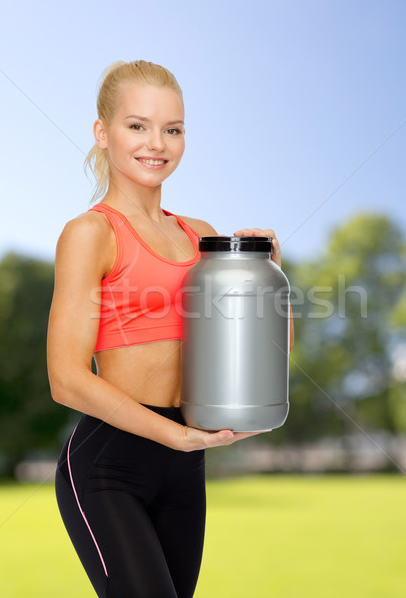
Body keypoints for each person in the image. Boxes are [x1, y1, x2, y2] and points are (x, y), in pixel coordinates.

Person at [47, 59, 294, 598]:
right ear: (102, 132)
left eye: (172, 129)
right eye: (137, 125)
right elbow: (65, 379)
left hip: (184, 463)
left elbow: (268, 356)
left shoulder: (202, 237)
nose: (156, 142)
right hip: (110, 463)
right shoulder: (90, 233)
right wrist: (176, 436)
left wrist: (269, 272)